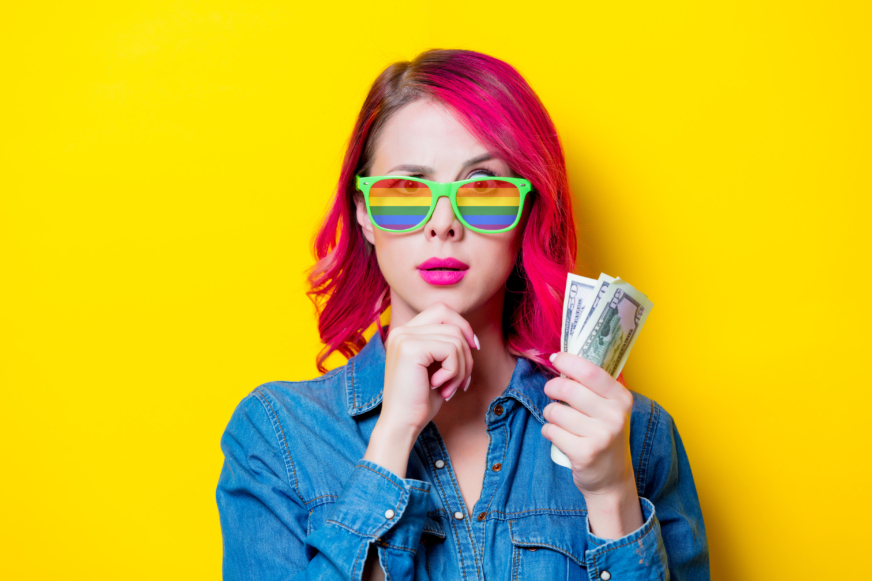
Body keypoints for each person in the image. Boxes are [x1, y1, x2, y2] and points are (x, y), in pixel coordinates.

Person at [216, 49, 709, 580]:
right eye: (407, 190)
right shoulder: (278, 435)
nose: (443, 223)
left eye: (483, 188)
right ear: (363, 214)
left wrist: (612, 493)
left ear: (526, 213)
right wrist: (393, 437)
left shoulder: (635, 435)